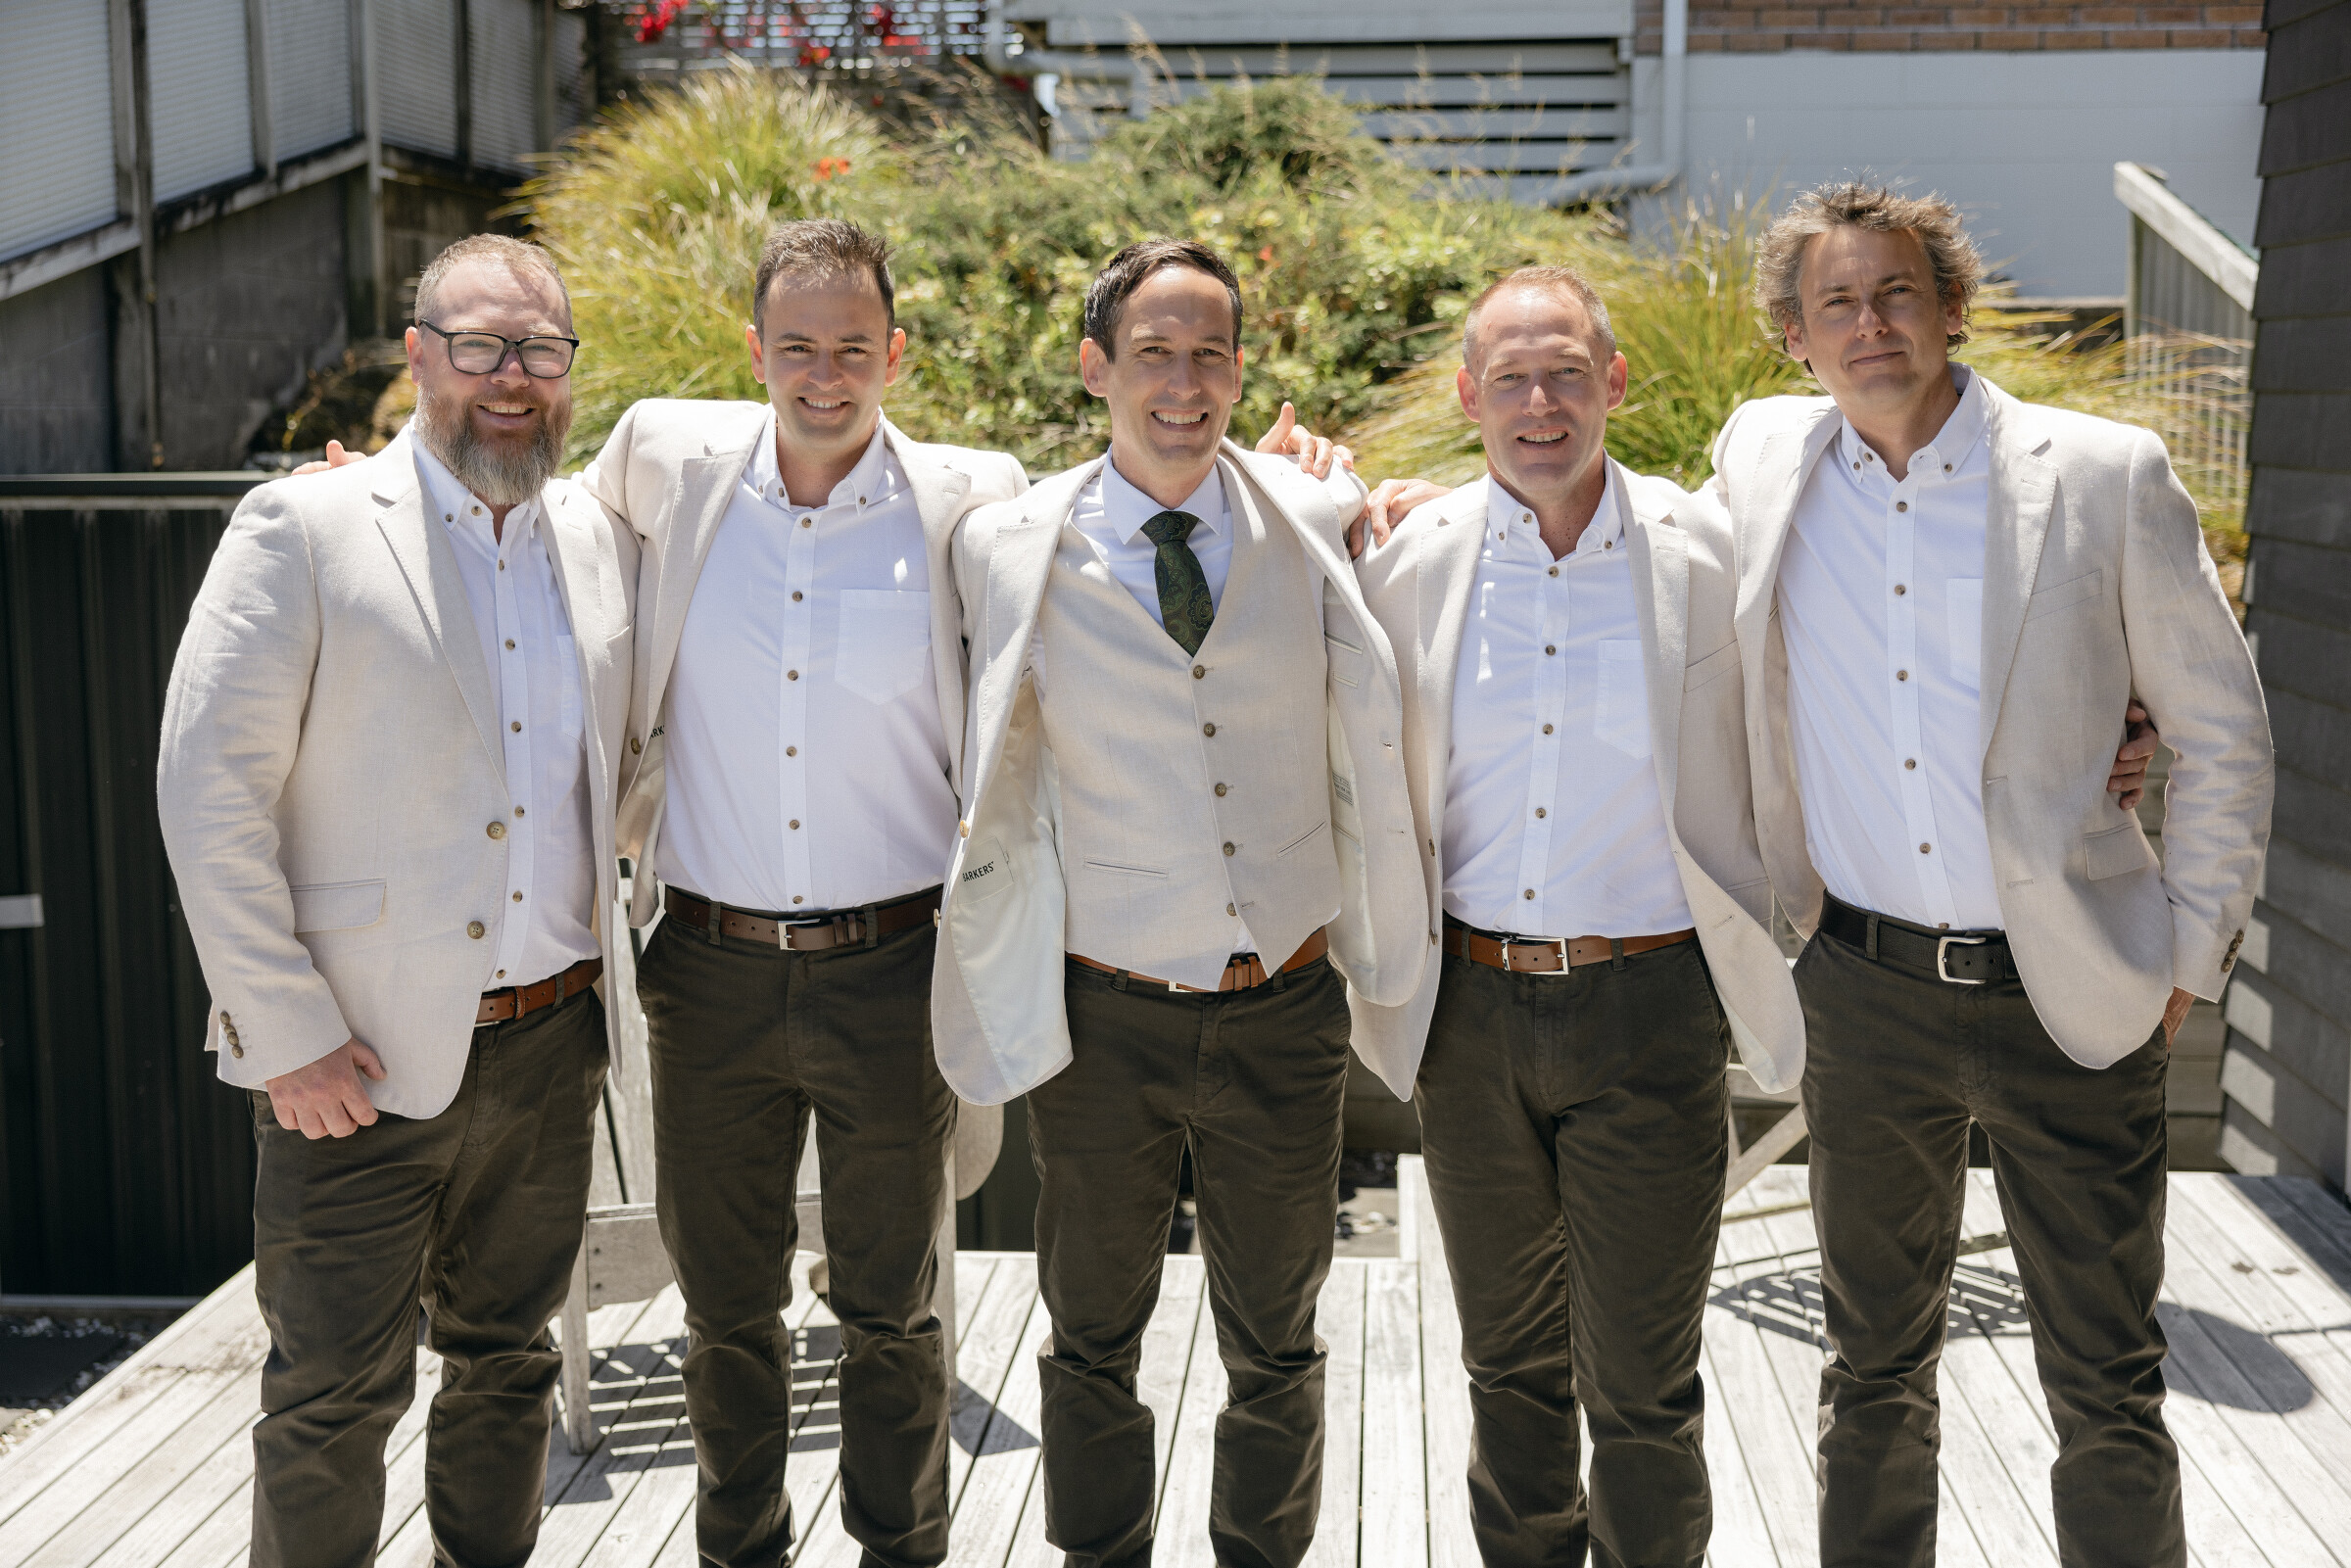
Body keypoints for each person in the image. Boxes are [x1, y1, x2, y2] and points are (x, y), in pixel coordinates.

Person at [1707, 182, 2273, 1568]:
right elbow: (1634, 540)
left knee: (2105, 1375)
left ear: (1952, 307)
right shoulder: (1763, 458)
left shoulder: (2103, 474)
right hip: (1862, 991)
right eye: (1837, 302)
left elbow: (2223, 730)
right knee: (1871, 1369)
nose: (1870, 325)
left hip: (2068, 990)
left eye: (1897, 292)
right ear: (1795, 335)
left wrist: (2189, 958)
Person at [932, 237, 1423, 1568]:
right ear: (1097, 368)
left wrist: (1398, 493)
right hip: (1107, 1018)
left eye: (1212, 354)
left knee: (1280, 1340)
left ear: (1242, 372)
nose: (1185, 382)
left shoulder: (1314, 517)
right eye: (1154, 352)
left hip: (1286, 1007)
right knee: (1091, 1337)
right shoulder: (1008, 543)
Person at [158, 234, 638, 1568]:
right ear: (418, 354)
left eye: (541, 349)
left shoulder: (597, 535)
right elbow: (207, 791)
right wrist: (284, 1032)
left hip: (550, 1045)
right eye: (479, 345)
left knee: (509, 1366)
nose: (511, 375)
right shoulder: (305, 527)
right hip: (349, 1064)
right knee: (332, 1395)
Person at [1348, 265, 1805, 1568]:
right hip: (1469, 1013)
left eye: (1565, 374)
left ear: (1613, 382)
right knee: (1508, 1367)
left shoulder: (1709, 557)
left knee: (1645, 1382)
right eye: (1511, 379)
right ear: (1468, 396)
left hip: (1651, 1008)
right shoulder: (1407, 564)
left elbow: (1842, 683)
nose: (1539, 404)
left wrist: (2117, 721)